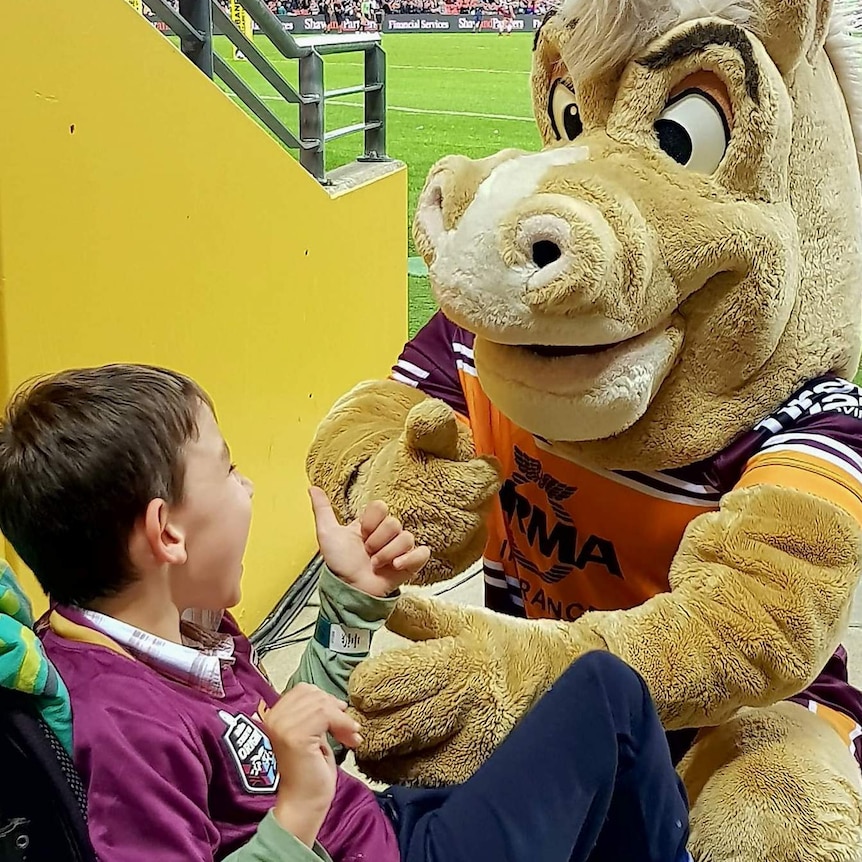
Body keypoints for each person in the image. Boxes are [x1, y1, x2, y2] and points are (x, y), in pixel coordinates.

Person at [0, 364, 691, 862]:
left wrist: (349, 595)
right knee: (608, 697)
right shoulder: (122, 725)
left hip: (375, 827)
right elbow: (285, 789)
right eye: (228, 468)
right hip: (374, 845)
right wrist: (296, 811)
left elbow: (285, 755)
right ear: (167, 534)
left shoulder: (183, 628)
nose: (247, 487)